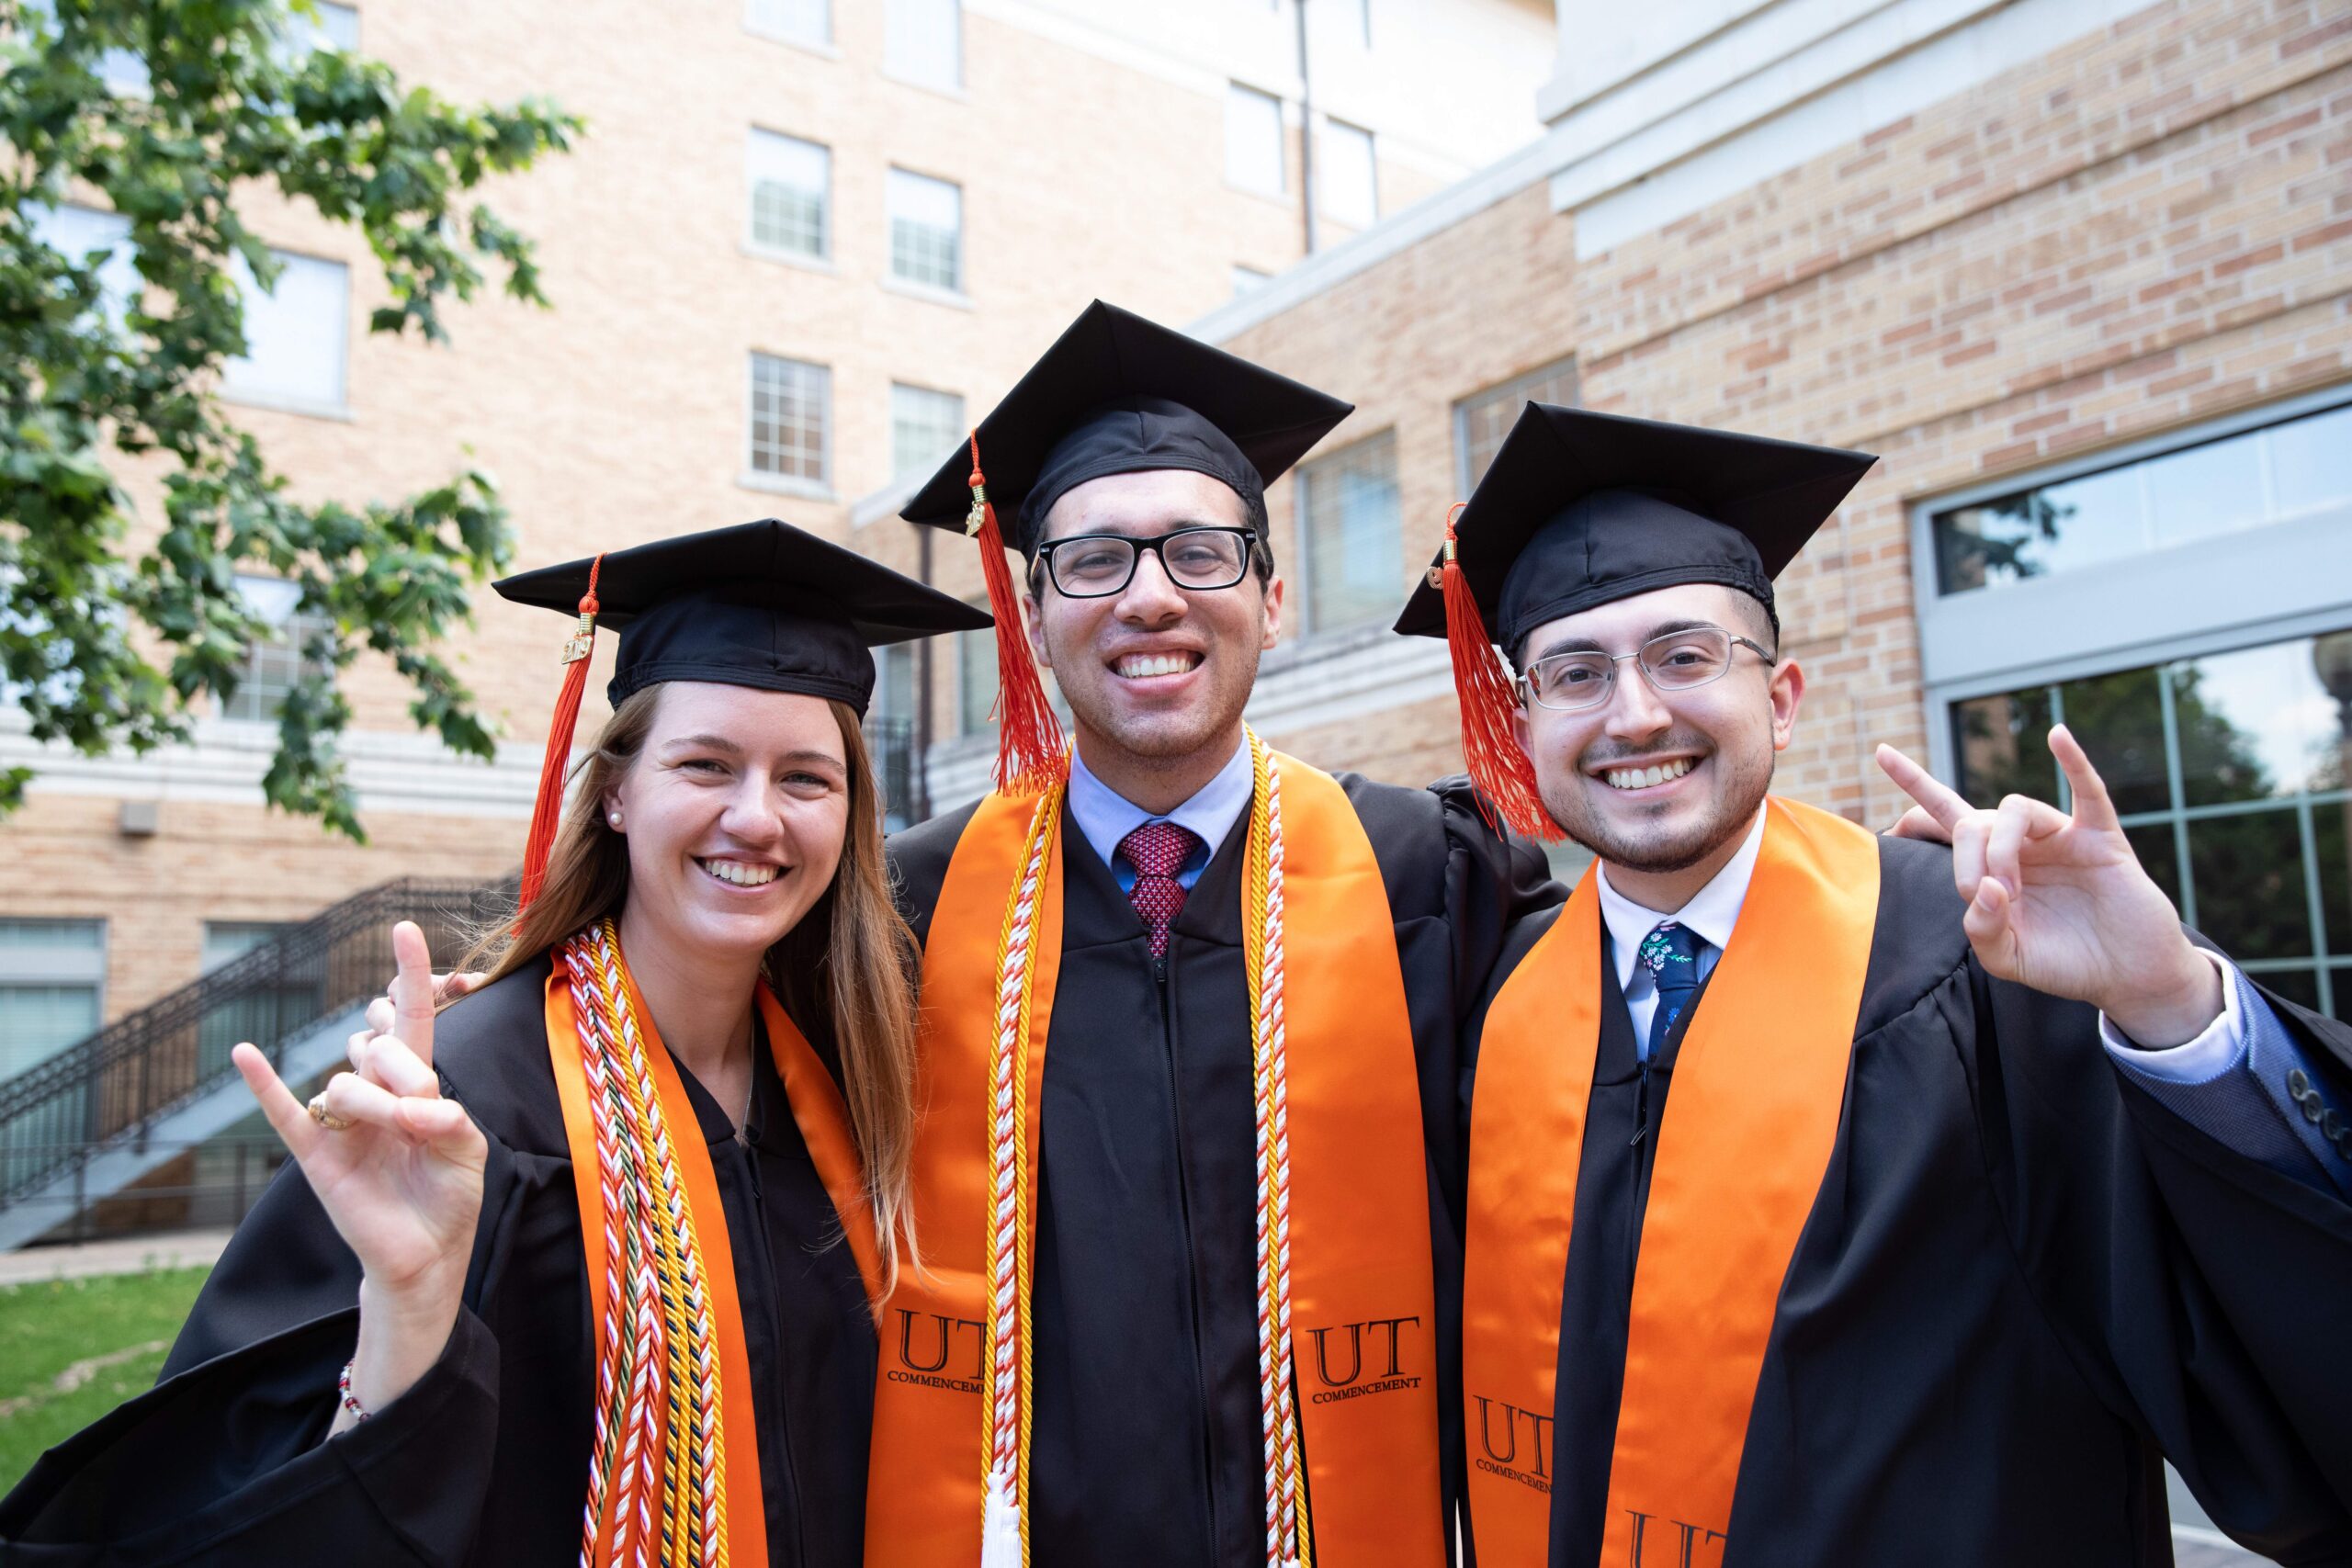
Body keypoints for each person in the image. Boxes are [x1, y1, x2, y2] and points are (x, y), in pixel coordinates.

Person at [1394, 401, 2352, 1567]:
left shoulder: (1978, 966)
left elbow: (2250, 1327)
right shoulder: (1497, 1005)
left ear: (1783, 698)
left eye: (1684, 655)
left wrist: (2171, 1010)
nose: (1634, 712)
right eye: (1575, 673)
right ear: (1525, 723)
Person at [0, 520, 989, 1566]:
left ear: (849, 811)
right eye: (706, 763)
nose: (757, 817)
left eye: (806, 778)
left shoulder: (856, 1082)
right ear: (616, 792)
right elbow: (242, 1512)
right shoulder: (455, 1103)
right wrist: (407, 1314)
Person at [865, 300, 1559, 1566]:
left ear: (1272, 598)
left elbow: (1633, 1074)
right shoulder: (908, 905)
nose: (1148, 597)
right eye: (1093, 560)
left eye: (1199, 551)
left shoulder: (1432, 873)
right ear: (1033, 615)